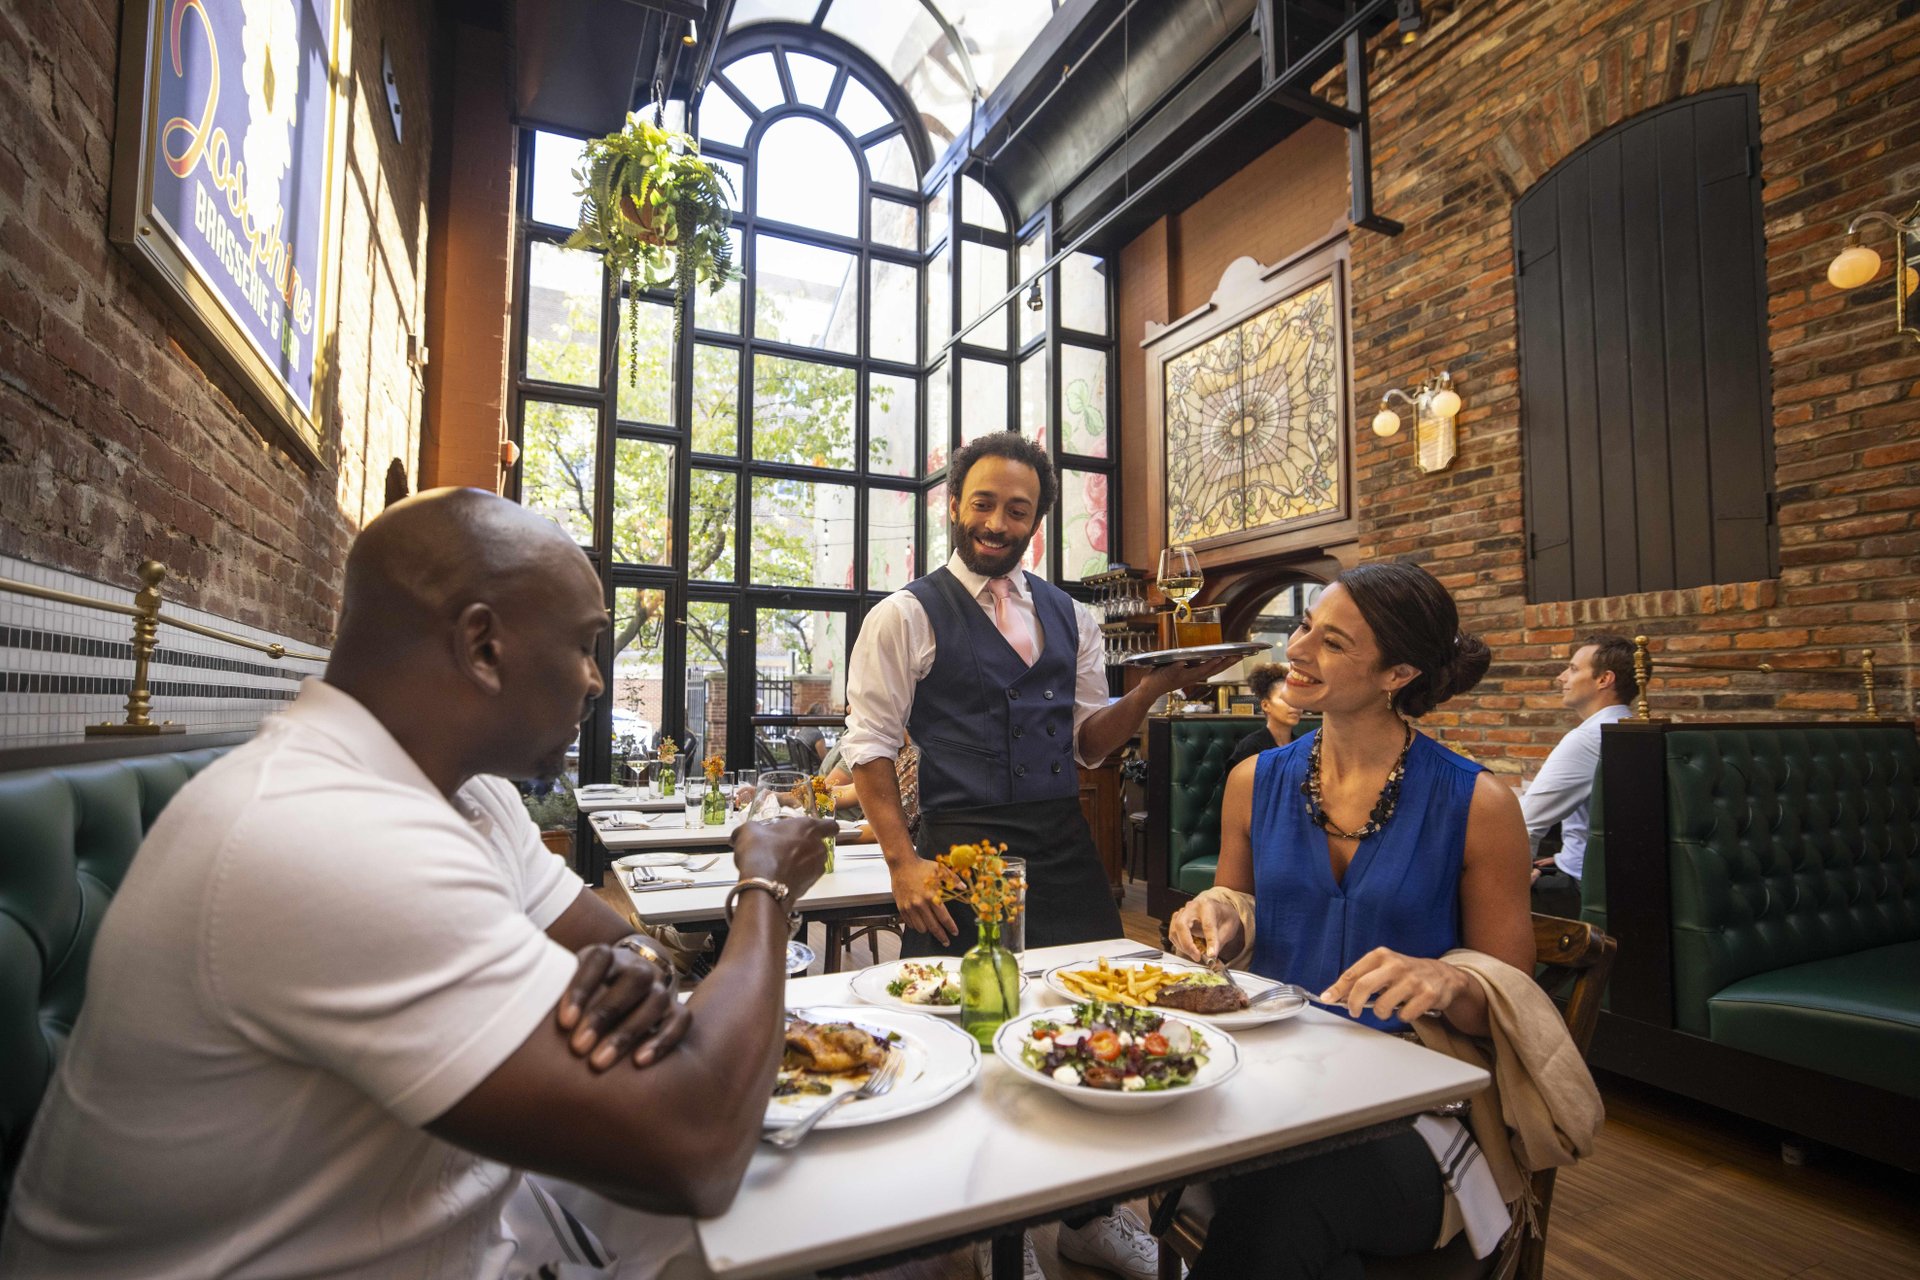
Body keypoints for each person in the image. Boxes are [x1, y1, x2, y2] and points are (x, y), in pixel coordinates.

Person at [0, 489, 835, 1279]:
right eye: (583, 644)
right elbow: (695, 1149)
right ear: (482, 646)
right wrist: (764, 887)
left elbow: (616, 941)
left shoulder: (468, 791)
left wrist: (643, 969)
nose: (596, 680)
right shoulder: (325, 832)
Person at [842, 431, 1237, 1280]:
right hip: (957, 851)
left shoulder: (1073, 616)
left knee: (1089, 1015)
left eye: (1015, 509)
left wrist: (1152, 689)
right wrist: (902, 862)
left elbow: (1091, 744)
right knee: (966, 1036)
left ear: (1037, 523)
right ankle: (985, 1231)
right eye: (981, 502)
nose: (995, 520)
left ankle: (1088, 1219)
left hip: (1061, 844)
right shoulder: (904, 614)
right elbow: (869, 748)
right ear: (953, 505)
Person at [1169, 562, 1536, 1278]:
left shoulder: (1479, 805)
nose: (1297, 651)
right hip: (1270, 1083)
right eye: (1306, 626)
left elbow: (1508, 1004)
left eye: (1332, 642)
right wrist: (1219, 918)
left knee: (1283, 1200)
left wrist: (1444, 978)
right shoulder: (1254, 783)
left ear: (1397, 673)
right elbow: (1234, 915)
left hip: (1417, 1112)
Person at [1522, 633, 1635, 918]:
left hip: (1583, 892)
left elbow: (1526, 822)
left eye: (1573, 669)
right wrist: (1563, 858)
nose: (1562, 677)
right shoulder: (1631, 727)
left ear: (1603, 679)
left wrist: (1512, 887)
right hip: (1624, 883)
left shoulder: (1587, 738)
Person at [1223, 660, 1303, 773]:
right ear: (1265, 705)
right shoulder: (1250, 748)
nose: (1294, 704)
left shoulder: (1303, 746)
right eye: (1284, 698)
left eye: (1296, 698)